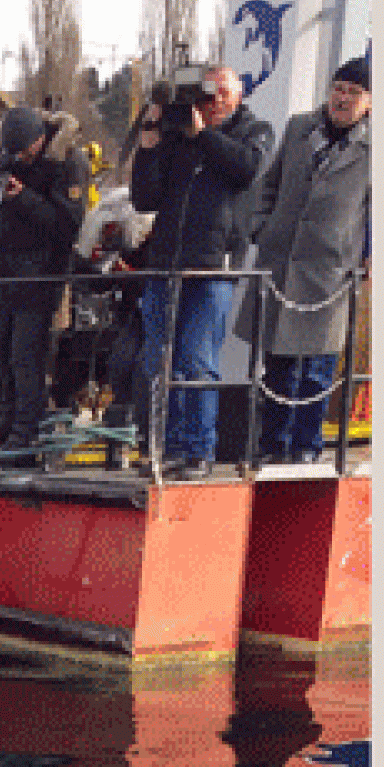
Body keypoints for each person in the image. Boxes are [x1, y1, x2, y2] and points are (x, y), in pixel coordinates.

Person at [128, 64, 272, 475]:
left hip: (211, 267)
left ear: (238, 95)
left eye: (221, 92)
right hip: (165, 265)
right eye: (207, 93)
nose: (212, 101)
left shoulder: (255, 131)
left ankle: (198, 450)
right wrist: (151, 141)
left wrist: (204, 135)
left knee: (195, 358)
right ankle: (165, 447)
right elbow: (144, 198)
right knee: (158, 360)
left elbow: (245, 170)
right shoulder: (178, 136)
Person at [240, 56, 372, 465]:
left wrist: (368, 258)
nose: (343, 98)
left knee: (316, 369)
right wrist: (261, 228)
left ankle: (305, 449)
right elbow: (269, 183)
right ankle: (271, 446)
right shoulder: (300, 127)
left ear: (369, 101)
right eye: (339, 88)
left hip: (329, 273)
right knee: (278, 365)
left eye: (353, 92)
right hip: (281, 263)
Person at [0, 107, 84, 464]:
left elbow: (68, 223)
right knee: (2, 350)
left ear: (39, 141)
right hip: (7, 269)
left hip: (41, 274)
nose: (19, 158)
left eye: (23, 152)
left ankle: (26, 430)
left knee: (26, 355)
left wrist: (24, 197)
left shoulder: (67, 161)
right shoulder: (13, 157)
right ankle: (7, 419)